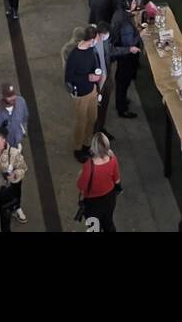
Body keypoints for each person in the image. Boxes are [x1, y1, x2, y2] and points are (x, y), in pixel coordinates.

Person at [65, 26, 104, 162]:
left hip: (92, 90)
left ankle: (87, 144)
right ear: (91, 39)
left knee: (92, 118)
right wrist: (88, 77)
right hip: (81, 93)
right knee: (81, 122)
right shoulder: (74, 56)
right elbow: (69, 78)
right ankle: (78, 148)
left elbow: (95, 65)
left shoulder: (91, 51)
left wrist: (96, 75)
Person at [76, 132, 120, 232]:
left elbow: (81, 186)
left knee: (94, 228)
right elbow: (117, 179)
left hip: (93, 202)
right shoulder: (112, 158)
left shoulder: (89, 166)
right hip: (109, 198)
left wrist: (80, 174)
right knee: (108, 223)